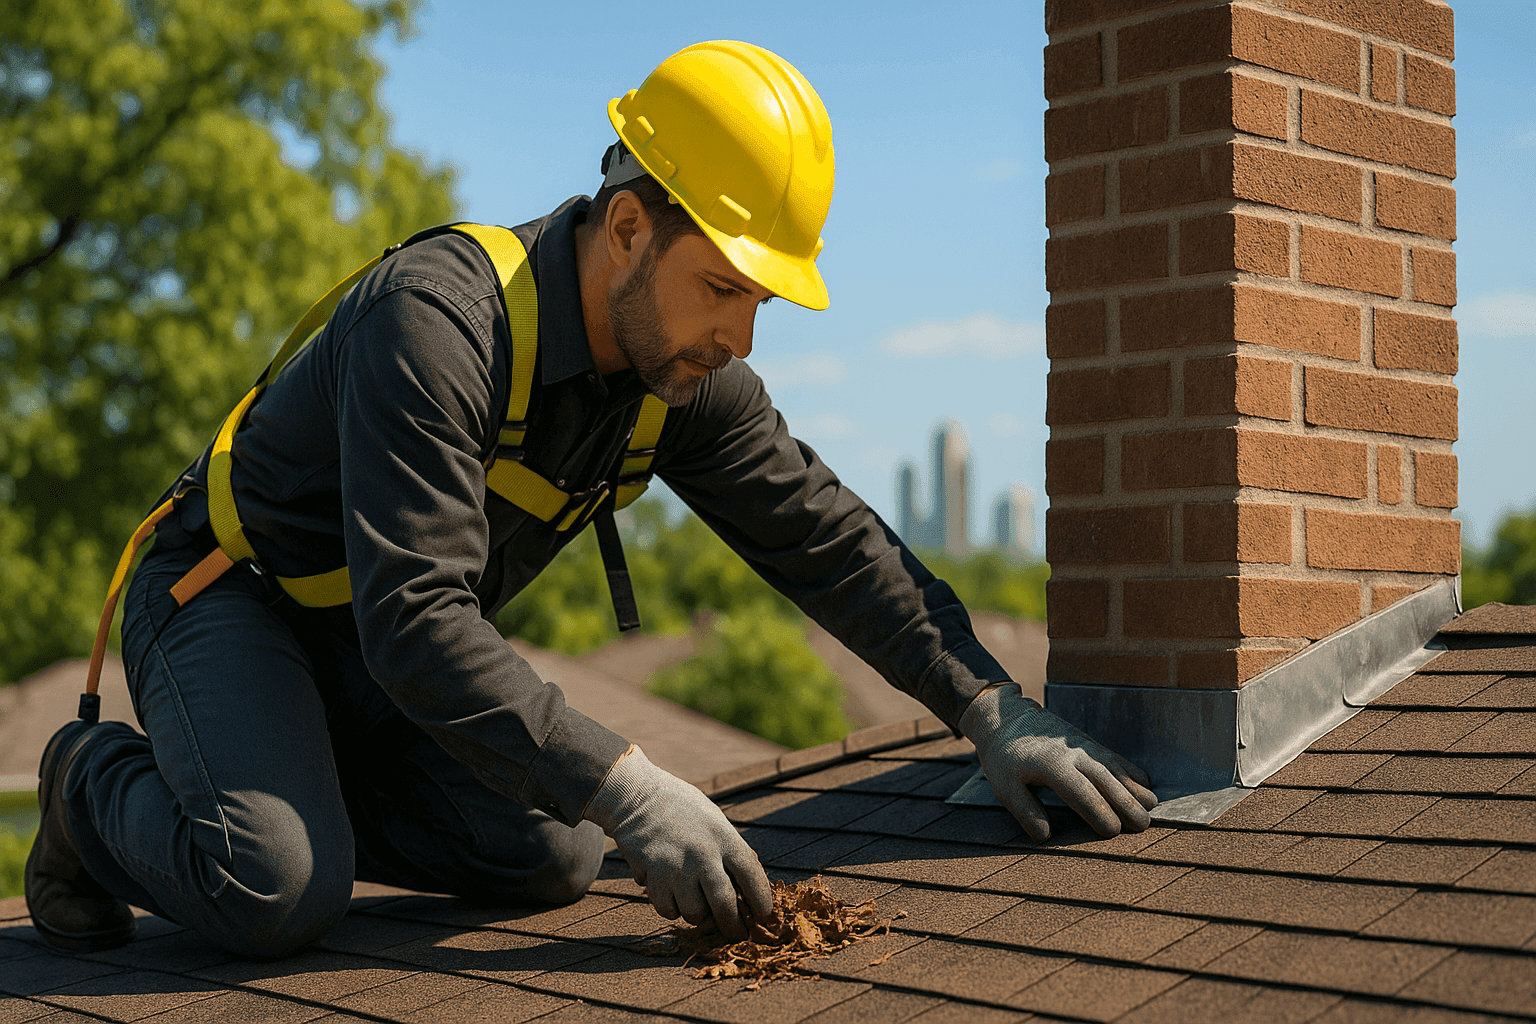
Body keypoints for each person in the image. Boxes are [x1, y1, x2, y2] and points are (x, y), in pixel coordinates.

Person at [25, 40, 1157, 958]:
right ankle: (86, 784)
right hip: (230, 603)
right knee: (273, 886)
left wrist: (989, 708)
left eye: (759, 303)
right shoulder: (437, 324)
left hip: (371, 660)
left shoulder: (681, 378)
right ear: (626, 229)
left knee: (557, 855)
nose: (739, 337)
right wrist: (628, 784)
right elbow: (416, 617)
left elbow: (827, 540)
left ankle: (285, 787)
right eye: (722, 288)